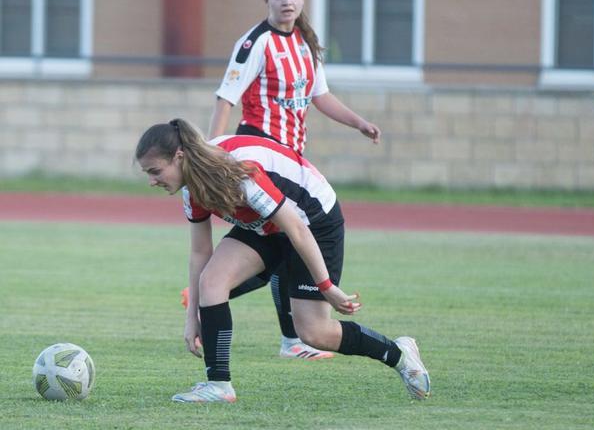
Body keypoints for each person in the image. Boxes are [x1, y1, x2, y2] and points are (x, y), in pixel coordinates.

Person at [136, 119, 429, 403]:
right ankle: (218, 387)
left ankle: (399, 354)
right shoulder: (192, 188)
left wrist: (325, 285)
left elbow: (297, 228)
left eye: (155, 171)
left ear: (179, 156)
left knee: (314, 333)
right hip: (269, 225)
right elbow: (200, 251)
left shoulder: (239, 173)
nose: (152, 181)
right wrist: (191, 319)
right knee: (212, 281)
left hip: (313, 221)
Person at [191, 0, 383, 360]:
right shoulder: (254, 43)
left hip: (290, 162)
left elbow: (321, 96)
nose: (287, 1)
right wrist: (214, 153)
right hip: (257, 154)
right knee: (282, 240)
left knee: (285, 244)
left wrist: (358, 122)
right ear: (267, 0)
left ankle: (225, 293)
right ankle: (288, 336)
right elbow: (226, 98)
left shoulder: (306, 43)